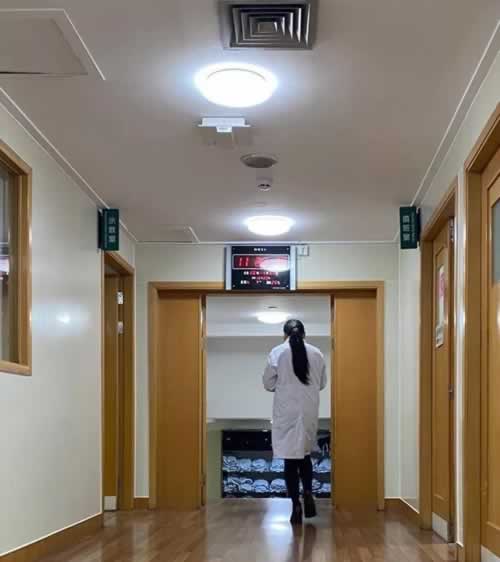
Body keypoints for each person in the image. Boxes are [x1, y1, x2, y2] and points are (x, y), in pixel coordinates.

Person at [263, 319, 327, 524]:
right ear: (304, 334)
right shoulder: (317, 353)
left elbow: (268, 383)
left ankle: (295, 505)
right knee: (305, 455)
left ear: (285, 335)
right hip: (308, 410)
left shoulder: (277, 352)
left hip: (286, 412)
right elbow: (322, 383)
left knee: (290, 459)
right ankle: (308, 491)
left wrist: (284, 385)